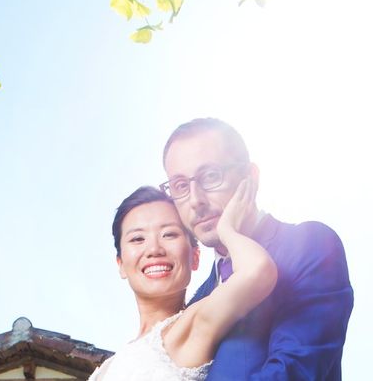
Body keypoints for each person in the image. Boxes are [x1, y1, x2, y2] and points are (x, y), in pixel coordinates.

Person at [161, 118, 353, 380]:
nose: (196, 201)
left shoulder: (310, 244)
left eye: (210, 177)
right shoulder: (196, 301)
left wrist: (230, 234)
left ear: (250, 176)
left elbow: (293, 372)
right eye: (181, 186)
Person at [90, 184, 277, 380]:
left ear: (195, 257)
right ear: (120, 264)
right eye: (137, 239)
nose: (154, 249)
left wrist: (226, 230)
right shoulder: (113, 363)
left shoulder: (194, 324)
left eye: (169, 234)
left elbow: (257, 271)